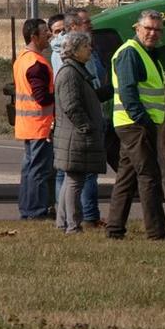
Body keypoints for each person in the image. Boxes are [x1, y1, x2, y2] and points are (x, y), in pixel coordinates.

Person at [104, 9, 165, 241]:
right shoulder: (130, 53)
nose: (153, 33)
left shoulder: (146, 53)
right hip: (135, 124)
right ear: (137, 28)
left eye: (157, 29)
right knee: (149, 176)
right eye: (148, 28)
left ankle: (114, 229)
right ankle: (157, 233)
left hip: (135, 123)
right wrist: (143, 120)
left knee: (127, 178)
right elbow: (128, 90)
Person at [53, 29, 106, 233]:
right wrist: (86, 126)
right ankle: (72, 225)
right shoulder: (69, 73)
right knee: (75, 181)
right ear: (74, 51)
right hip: (75, 135)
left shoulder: (78, 71)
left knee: (72, 179)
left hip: (75, 135)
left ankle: (62, 222)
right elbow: (71, 105)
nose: (89, 49)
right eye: (85, 46)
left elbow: (87, 98)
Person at [13, 17, 55, 220]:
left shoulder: (23, 58)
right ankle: (35, 211)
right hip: (40, 125)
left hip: (28, 125)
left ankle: (28, 210)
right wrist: (61, 95)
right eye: (45, 31)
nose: (49, 34)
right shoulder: (36, 64)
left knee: (30, 170)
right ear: (33, 36)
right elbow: (42, 98)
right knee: (38, 171)